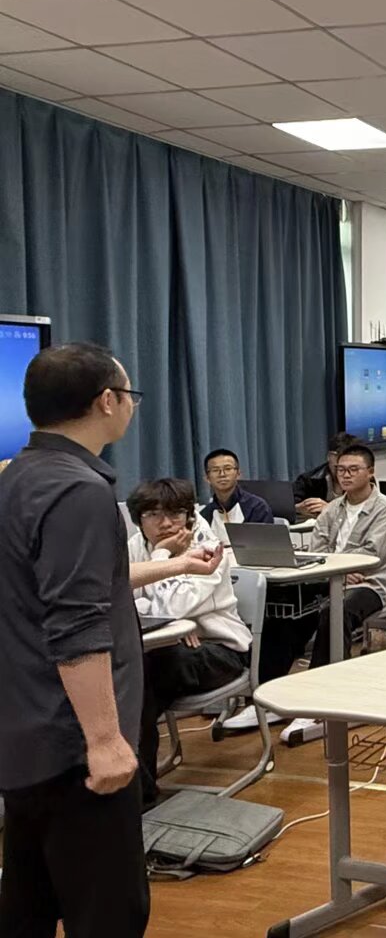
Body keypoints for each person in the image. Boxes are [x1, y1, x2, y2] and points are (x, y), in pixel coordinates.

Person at [0, 343, 155, 936]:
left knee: (28, 908)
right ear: (107, 401)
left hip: (25, 735)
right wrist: (106, 740)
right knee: (110, 914)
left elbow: (56, 588)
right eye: (130, 395)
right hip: (75, 751)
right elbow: (76, 623)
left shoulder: (16, 478)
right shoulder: (79, 490)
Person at [126, 478, 249, 804]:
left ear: (189, 515)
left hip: (220, 650)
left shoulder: (208, 547)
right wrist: (179, 623)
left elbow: (172, 606)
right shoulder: (134, 545)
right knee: (128, 678)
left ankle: (140, 796)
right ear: (139, 519)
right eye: (154, 514)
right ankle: (133, 790)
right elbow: (122, 601)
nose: (166, 523)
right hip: (167, 647)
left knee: (140, 679)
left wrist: (162, 556)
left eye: (176, 513)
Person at [259, 444, 386, 688]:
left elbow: (373, 554)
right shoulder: (332, 508)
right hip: (329, 578)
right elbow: (318, 548)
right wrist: (338, 573)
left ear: (370, 472)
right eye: (341, 470)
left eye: (353, 469)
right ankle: (266, 686)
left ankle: (324, 686)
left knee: (336, 610)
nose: (345, 475)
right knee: (284, 604)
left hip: (371, 584)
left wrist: (338, 569)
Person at [199, 447, 274, 534]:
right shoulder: (204, 515)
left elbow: (265, 541)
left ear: (238, 474)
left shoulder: (257, 508)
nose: (222, 474)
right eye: (215, 470)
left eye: (228, 469)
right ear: (207, 478)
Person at [292, 431, 358, 519]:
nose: (345, 474)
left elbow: (367, 509)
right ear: (330, 456)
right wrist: (298, 508)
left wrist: (330, 509)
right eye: (340, 467)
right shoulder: (309, 479)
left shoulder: (363, 479)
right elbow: (288, 506)